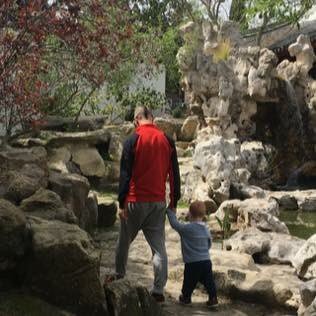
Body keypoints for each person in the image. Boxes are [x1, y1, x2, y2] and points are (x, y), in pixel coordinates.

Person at [115, 106, 181, 302]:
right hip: (158, 203)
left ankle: (119, 279)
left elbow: (125, 175)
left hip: (135, 201)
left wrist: (121, 202)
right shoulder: (167, 141)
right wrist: (174, 201)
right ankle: (159, 291)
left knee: (123, 243)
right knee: (159, 248)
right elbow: (174, 175)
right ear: (152, 118)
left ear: (136, 120)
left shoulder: (132, 141)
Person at [166, 201, 218, 307]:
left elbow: (174, 224)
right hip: (206, 261)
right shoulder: (206, 229)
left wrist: (169, 211)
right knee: (209, 281)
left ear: (189, 214)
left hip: (192, 263)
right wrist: (204, 251)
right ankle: (213, 299)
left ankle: (186, 298)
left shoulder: (186, 229)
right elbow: (209, 243)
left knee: (189, 282)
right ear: (204, 215)